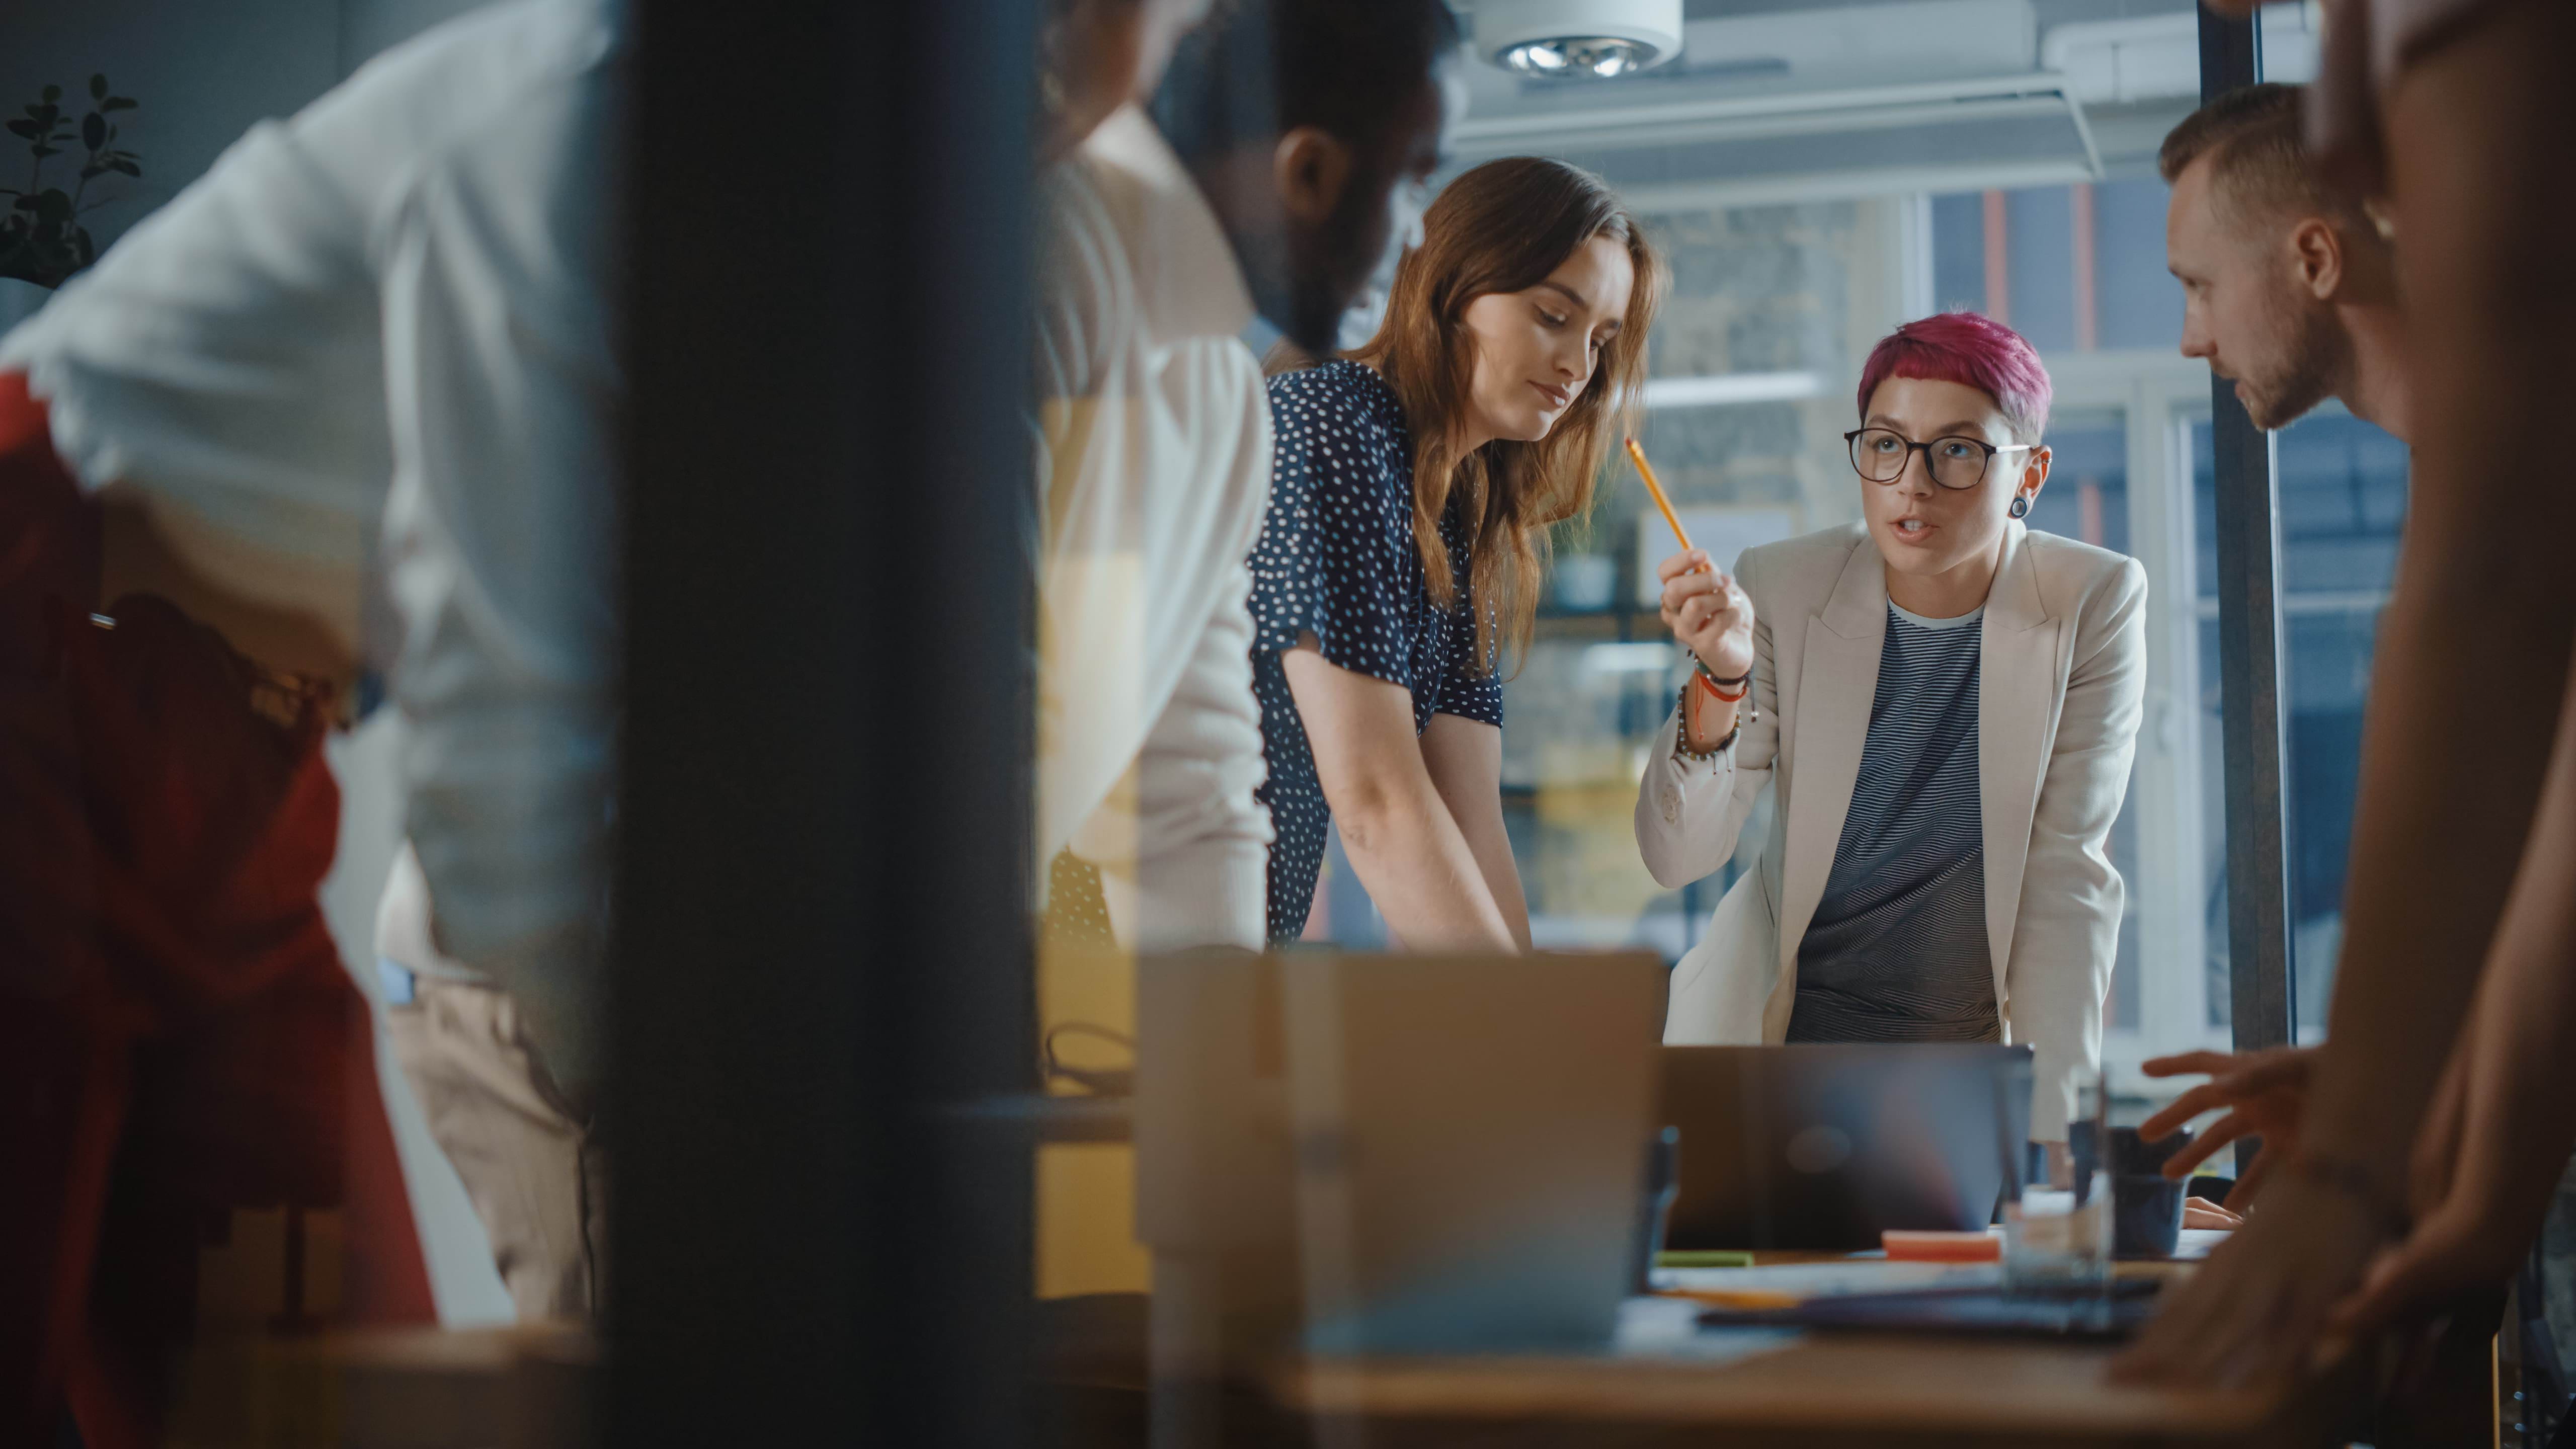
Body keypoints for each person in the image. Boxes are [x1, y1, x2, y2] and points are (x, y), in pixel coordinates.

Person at [0, 0, 624, 1353]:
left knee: (329, 1368)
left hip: (243, 740)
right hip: (41, 620)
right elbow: (506, 768)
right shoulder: (563, 123)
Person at [2123, 24, 2576, 1381]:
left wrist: (2377, 1177)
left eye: (2200, 284)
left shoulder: (2516, 519)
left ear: (2316, 258)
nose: (2192, 335)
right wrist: (2403, 1089)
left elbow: (2490, 607)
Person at [1637, 312, 2146, 1146]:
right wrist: (1722, 676)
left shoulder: (2093, 599)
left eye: (1958, 450)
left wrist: (2056, 1159)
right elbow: (1678, 857)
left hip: (1961, 1083)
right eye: (1886, 445)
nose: (1912, 483)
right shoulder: (1786, 585)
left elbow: (2066, 883)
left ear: (2031, 472)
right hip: (1774, 1054)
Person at [1032, 0, 1466, 956]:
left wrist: (1216, 1085)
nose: (1413, 244)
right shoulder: (1044, 262)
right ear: (1305, 172)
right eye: (1411, 180)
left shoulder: (1224, 404)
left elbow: (1190, 801)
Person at [1245, 156, 1662, 951]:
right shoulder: (1333, 424)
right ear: (1454, 288)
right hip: (1122, 932)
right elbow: (1376, 803)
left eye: (1601, 339)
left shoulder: (1462, 513)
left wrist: (1527, 1036)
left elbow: (1471, 820)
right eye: (1552, 316)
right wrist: (1518, 1056)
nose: (1580, 367)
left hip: (1234, 947)